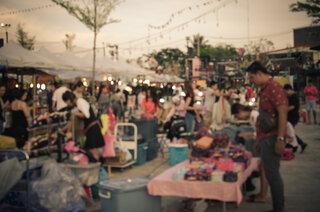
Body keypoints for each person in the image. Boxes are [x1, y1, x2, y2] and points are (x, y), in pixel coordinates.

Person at [247, 61, 287, 212]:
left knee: (272, 174)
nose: (253, 81)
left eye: (253, 77)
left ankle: (279, 207)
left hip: (272, 137)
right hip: (265, 137)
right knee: (270, 173)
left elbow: (282, 112)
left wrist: (280, 138)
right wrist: (259, 139)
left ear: (259, 73)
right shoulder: (264, 89)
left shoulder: (274, 88)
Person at [62, 91, 104, 160]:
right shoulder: (79, 103)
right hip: (91, 128)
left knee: (93, 151)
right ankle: (97, 166)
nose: (67, 104)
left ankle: (96, 167)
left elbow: (86, 115)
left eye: (66, 102)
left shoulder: (80, 102)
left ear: (69, 100)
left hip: (92, 128)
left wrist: (75, 113)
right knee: (93, 150)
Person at [284, 84, 308, 153]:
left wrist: (284, 110)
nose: (285, 93)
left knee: (291, 132)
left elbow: (292, 107)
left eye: (285, 91)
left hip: (293, 117)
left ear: (288, 90)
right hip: (291, 117)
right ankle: (301, 144)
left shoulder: (294, 97)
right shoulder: (291, 96)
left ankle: (300, 144)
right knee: (291, 132)